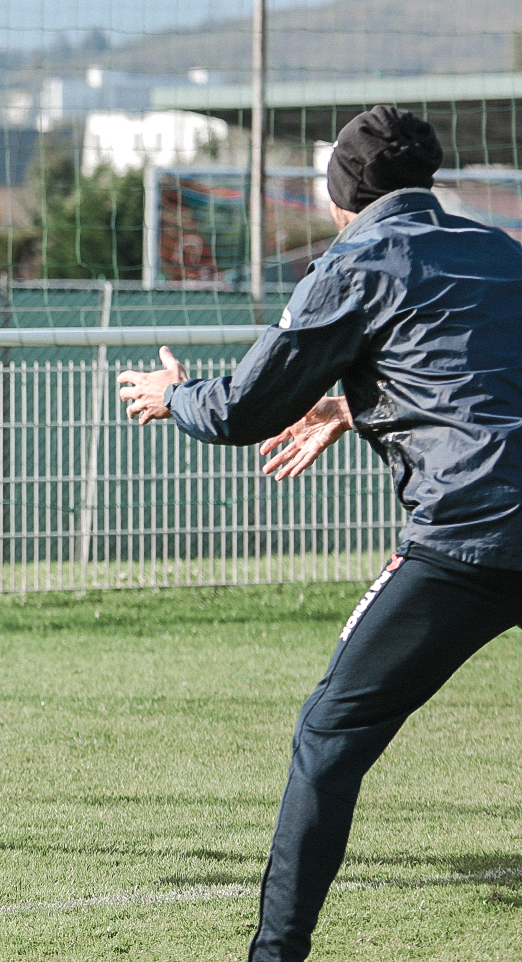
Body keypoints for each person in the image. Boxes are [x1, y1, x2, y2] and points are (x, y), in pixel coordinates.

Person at [117, 105, 522, 961]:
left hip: (466, 541)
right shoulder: (498, 251)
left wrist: (171, 398)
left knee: (328, 738)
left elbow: (242, 408)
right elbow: (472, 373)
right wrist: (358, 402)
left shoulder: (355, 260)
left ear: (340, 191)